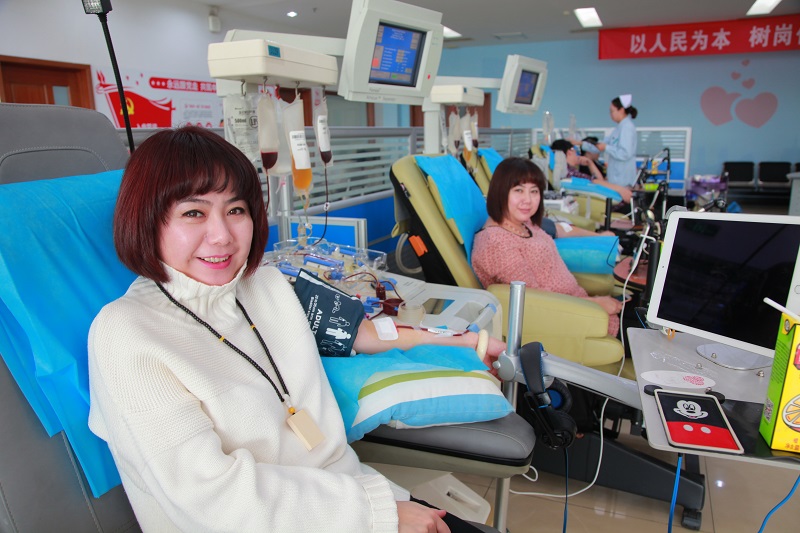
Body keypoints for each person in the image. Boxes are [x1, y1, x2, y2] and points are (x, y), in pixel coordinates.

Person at [87, 125, 504, 533]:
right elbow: (210, 501)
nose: (222, 236)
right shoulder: (127, 334)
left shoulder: (266, 285)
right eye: (193, 213)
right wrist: (378, 514)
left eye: (236, 210)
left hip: (351, 492)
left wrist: (468, 341)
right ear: (148, 220)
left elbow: (366, 332)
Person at [470, 157, 622, 337]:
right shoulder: (496, 244)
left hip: (578, 304)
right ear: (500, 192)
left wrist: (599, 237)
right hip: (565, 320)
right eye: (519, 190)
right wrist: (596, 304)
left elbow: (560, 229)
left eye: (534, 191)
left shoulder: (523, 223)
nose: (528, 200)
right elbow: (534, 301)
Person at [550, 139, 633, 204]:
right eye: (576, 150)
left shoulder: (566, 172)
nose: (578, 154)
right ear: (569, 152)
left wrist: (590, 163)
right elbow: (596, 182)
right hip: (607, 203)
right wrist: (621, 190)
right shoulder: (571, 173)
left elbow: (599, 181)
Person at [594, 94, 638, 188]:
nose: (610, 115)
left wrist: (606, 148)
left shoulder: (627, 127)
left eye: (612, 111)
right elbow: (607, 142)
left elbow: (625, 153)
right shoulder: (619, 128)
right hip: (617, 179)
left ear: (621, 110)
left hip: (623, 180)